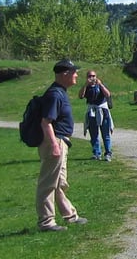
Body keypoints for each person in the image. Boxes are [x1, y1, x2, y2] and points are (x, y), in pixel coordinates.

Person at [37, 59, 88, 232]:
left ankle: (70, 215)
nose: (76, 75)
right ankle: (46, 222)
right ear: (65, 74)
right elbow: (46, 122)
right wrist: (54, 145)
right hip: (55, 141)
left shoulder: (60, 92)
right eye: (74, 72)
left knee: (59, 182)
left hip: (60, 140)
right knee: (48, 183)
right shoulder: (55, 94)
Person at [79, 69, 113, 161]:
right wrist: (85, 85)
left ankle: (108, 153)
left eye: (93, 76)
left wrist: (100, 84)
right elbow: (81, 96)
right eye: (89, 76)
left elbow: (108, 94)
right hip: (92, 111)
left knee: (105, 133)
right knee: (94, 134)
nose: (92, 78)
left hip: (102, 110)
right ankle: (96, 153)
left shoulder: (100, 85)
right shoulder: (87, 87)